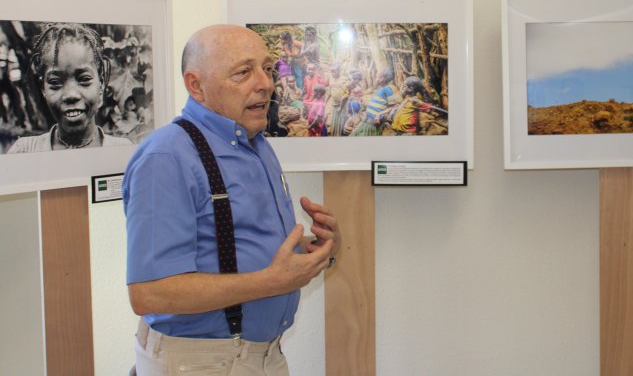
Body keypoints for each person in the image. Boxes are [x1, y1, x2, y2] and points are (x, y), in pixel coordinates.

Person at [123, 24, 340, 376]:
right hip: (201, 363)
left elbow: (238, 246)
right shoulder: (166, 157)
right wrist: (274, 281)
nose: (266, 83)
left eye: (267, 69)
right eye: (243, 72)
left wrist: (315, 248)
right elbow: (151, 293)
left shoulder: (256, 145)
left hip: (262, 357)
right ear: (196, 85)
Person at [7, 22, 132, 152]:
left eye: (84, 79)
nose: (71, 95)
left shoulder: (123, 150)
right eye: (55, 82)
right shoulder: (24, 150)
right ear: (43, 88)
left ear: (101, 83)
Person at [351, 67, 399, 136]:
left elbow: (393, 106)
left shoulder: (387, 89)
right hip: (367, 120)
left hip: (373, 124)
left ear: (382, 79)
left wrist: (379, 114)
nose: (375, 79)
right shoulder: (380, 89)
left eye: (377, 77)